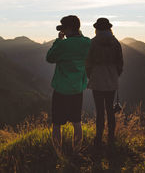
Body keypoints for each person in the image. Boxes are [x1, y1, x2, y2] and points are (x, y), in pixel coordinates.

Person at [46, 15, 91, 153]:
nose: (63, 30)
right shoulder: (87, 42)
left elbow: (49, 58)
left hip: (61, 89)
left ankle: (58, 152)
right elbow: (83, 44)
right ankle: (76, 151)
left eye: (64, 28)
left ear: (69, 28)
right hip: (77, 89)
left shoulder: (63, 44)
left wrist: (58, 40)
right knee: (77, 122)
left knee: (57, 124)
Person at [86, 17, 123, 147]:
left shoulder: (93, 42)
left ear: (97, 29)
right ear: (109, 28)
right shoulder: (115, 42)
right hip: (111, 79)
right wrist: (114, 75)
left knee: (100, 111)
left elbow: (88, 62)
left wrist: (90, 75)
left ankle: (98, 139)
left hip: (96, 79)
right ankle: (111, 138)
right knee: (110, 110)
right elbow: (120, 63)